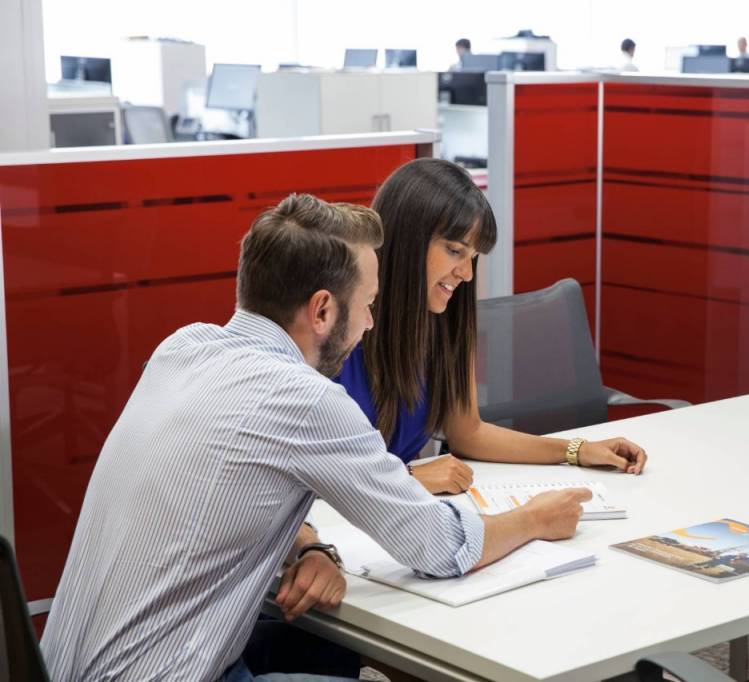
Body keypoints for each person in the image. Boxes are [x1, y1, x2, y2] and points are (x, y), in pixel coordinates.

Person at [40, 194, 592, 681]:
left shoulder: (181, 349)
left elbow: (223, 501)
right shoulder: (308, 401)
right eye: (368, 306)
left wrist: (309, 544)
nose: (371, 324)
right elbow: (441, 548)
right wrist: (535, 519)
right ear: (324, 309)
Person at [333, 159, 648, 495]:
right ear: (406, 243)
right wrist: (409, 478)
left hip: (401, 514)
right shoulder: (336, 329)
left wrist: (577, 450)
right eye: (454, 250)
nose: (466, 273)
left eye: (473, 256)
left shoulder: (445, 320)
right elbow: (301, 469)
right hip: (333, 526)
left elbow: (468, 433)